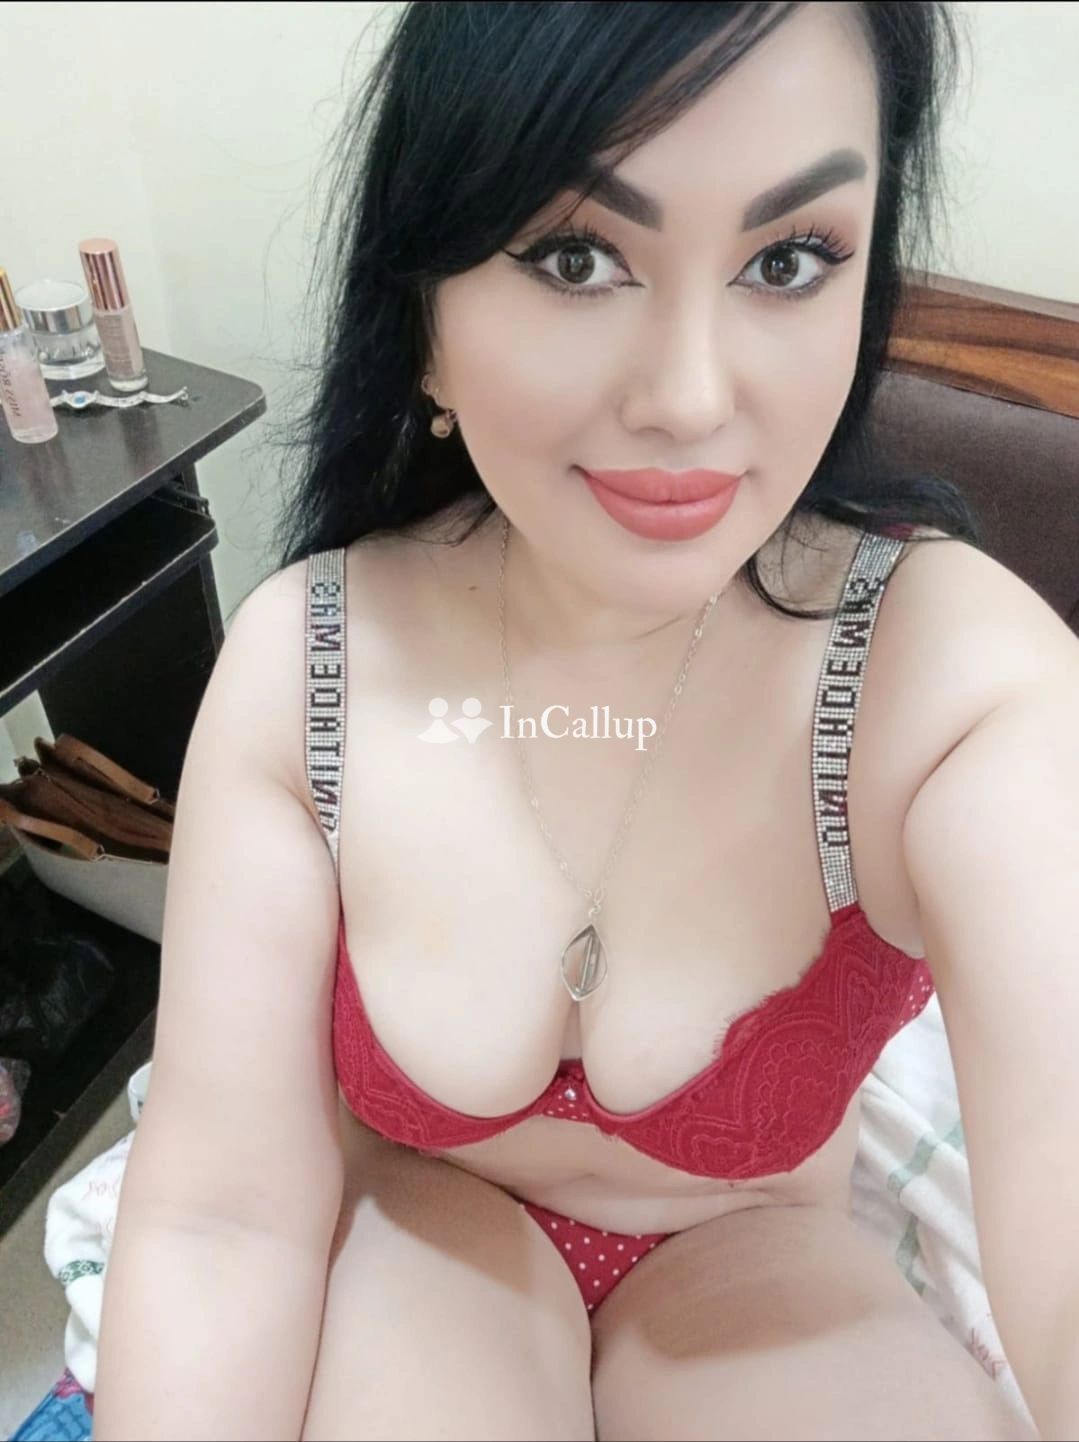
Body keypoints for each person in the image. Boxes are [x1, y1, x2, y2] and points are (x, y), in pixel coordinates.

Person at [92, 4, 1079, 1440]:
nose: (688, 398)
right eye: (573, 256)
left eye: (788, 260)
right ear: (422, 314)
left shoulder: (951, 682)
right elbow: (218, 1220)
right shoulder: (310, 666)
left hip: (758, 1262)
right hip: (425, 1235)